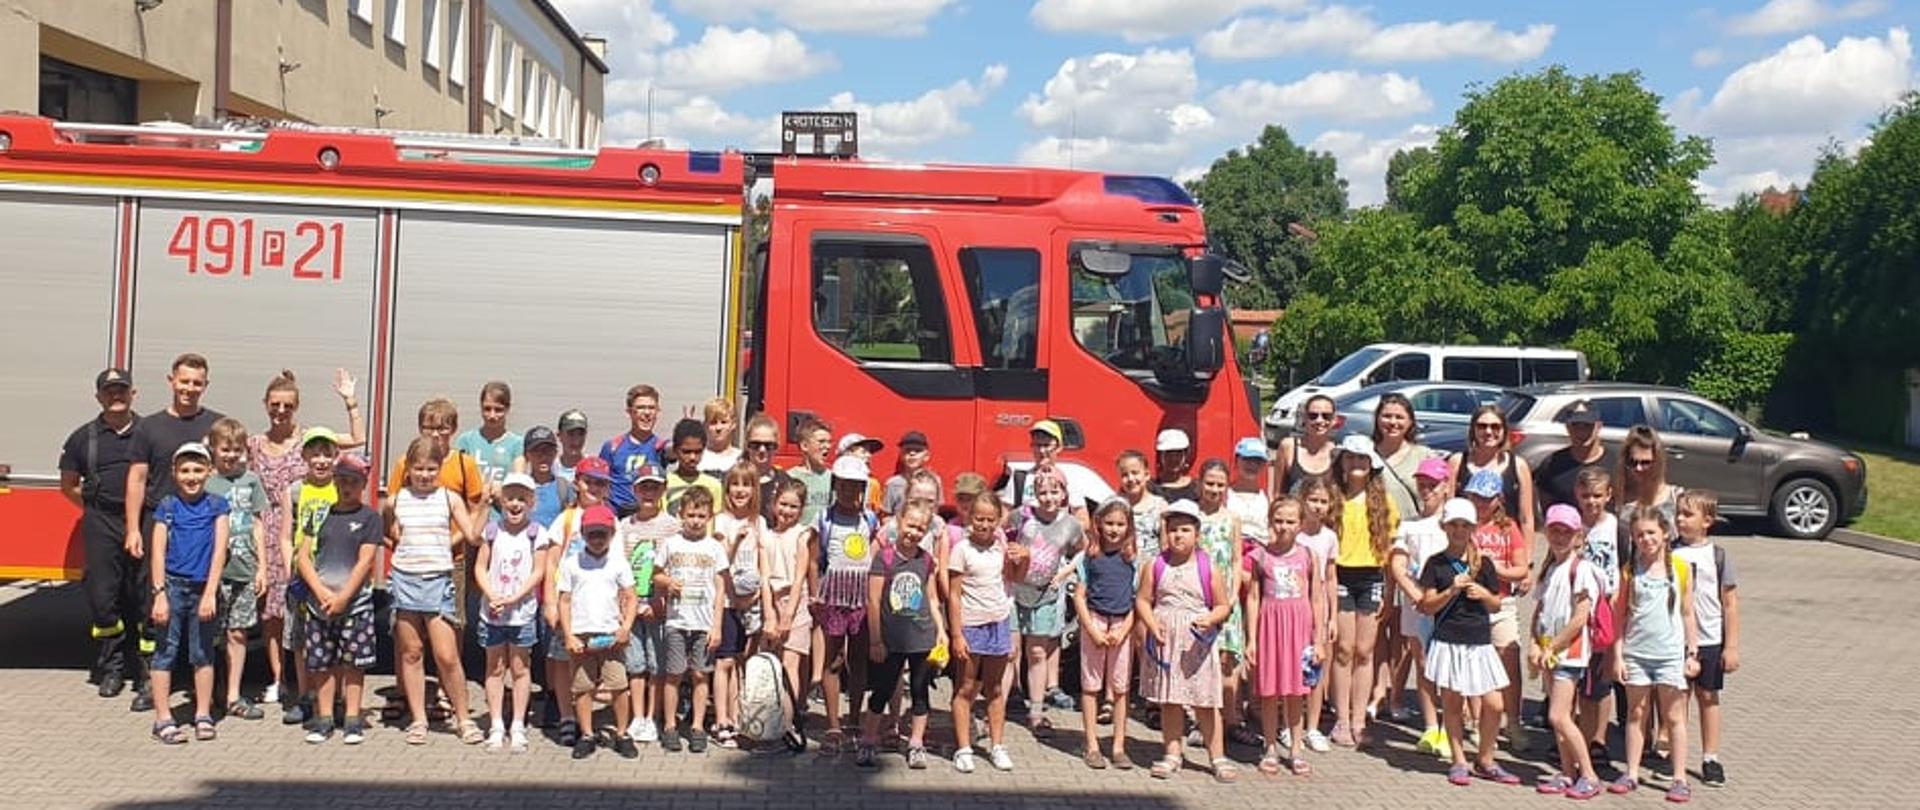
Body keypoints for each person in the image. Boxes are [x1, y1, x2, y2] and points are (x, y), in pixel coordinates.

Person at [245, 369, 364, 713]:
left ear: (296, 407)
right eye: (274, 405)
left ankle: (316, 690)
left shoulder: (310, 441)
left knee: (312, 621)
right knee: (273, 615)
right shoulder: (255, 443)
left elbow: (357, 438)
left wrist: (350, 400)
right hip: (266, 531)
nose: (280, 411)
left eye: (287, 406)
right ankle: (279, 680)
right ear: (265, 405)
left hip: (305, 536)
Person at [123, 353, 225, 713]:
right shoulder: (149, 427)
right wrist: (134, 527)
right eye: (184, 381)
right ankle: (153, 685)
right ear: (171, 381)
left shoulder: (216, 425)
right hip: (159, 523)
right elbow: (136, 478)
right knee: (155, 607)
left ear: (205, 386)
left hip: (204, 527)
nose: (189, 389)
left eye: (197, 383)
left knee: (206, 615)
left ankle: (207, 691)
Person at [383, 436, 483, 746]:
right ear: (408, 469)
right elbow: (390, 533)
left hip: (438, 581)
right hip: (405, 580)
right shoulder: (396, 500)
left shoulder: (449, 498)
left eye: (431, 469)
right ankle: (418, 719)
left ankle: (464, 718)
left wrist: (485, 506)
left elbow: (472, 536)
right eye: (418, 469)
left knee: (447, 655)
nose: (424, 475)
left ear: (440, 468)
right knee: (411, 653)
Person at [1418, 497, 1520, 788]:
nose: (1459, 531)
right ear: (1444, 527)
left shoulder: (1483, 563)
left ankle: (1486, 758)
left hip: (1479, 641)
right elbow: (1427, 605)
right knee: (1452, 702)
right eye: (1453, 525)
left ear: (1473, 528)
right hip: (1449, 640)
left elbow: (1496, 605)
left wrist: (1482, 594)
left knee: (1495, 703)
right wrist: (1451, 590)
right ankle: (1458, 760)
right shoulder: (1436, 564)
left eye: (1464, 526)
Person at [61, 368, 144, 701]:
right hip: (102, 521)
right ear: (99, 397)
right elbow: (68, 486)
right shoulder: (83, 438)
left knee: (143, 595)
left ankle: (146, 669)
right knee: (103, 596)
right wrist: (95, 506)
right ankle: (111, 667)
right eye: (109, 391)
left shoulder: (147, 432)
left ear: (132, 394)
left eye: (121, 390)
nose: (116, 396)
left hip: (141, 520)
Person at [1139, 499, 1236, 782]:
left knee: (1205, 702)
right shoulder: (1155, 565)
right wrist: (1151, 622)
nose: (1177, 536)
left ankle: (1217, 756)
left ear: (1197, 534)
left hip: (1197, 645)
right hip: (1166, 641)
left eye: (1184, 530)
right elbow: (1144, 600)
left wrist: (1210, 618)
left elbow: (1222, 605)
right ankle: (1172, 752)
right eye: (1172, 530)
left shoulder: (1208, 568)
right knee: (1171, 700)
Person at [145, 442, 231, 744]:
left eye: (197, 470)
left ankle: (203, 714)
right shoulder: (167, 507)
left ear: (209, 471)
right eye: (184, 470)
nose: (191, 476)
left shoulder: (217, 506)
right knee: (164, 652)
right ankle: (163, 718)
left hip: (202, 589)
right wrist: (159, 594)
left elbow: (220, 551)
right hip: (172, 587)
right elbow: (157, 553)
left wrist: (210, 593)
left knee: (202, 653)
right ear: (174, 473)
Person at [1611, 511, 1700, 802]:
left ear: (1664, 533)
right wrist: (1617, 655)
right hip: (1637, 653)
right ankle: (1632, 772)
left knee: (1674, 716)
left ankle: (1679, 777)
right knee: (1636, 714)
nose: (1646, 539)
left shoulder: (1681, 567)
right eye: (1639, 535)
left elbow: (1688, 613)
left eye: (1651, 532)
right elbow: (1620, 616)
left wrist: (1692, 651)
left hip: (1669, 655)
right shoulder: (1629, 571)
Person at [296, 452, 380, 745]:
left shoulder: (370, 518)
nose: (347, 487)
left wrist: (343, 597)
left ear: (364, 484)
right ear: (334, 481)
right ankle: (324, 718)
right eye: (342, 481)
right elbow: (303, 557)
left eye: (354, 482)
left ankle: (353, 719)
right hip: (320, 605)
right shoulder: (318, 514)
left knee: (353, 663)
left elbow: (365, 561)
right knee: (321, 663)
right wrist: (320, 592)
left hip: (354, 605)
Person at [856, 502, 947, 769]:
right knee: (882, 691)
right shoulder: (883, 558)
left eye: (921, 528)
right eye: (911, 525)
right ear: (899, 521)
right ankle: (869, 739)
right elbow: (873, 601)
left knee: (920, 693)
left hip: (921, 637)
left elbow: (931, 598)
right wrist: (876, 640)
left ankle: (916, 744)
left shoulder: (926, 560)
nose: (914, 532)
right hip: (890, 639)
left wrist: (941, 631)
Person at [1244, 497, 1327, 777]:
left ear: (1301, 524)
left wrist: (1319, 639)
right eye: (1278, 520)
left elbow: (1317, 598)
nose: (1283, 527)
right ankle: (1269, 746)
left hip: (1299, 629)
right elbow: (1253, 598)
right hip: (1270, 627)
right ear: (1270, 521)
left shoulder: (1308, 556)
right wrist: (1252, 639)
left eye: (1290, 521)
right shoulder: (1261, 556)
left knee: (1295, 692)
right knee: (1269, 692)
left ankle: (1296, 749)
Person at [947, 493, 1026, 774]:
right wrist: (956, 634)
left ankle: (997, 745)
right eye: (979, 518)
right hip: (971, 625)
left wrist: (1023, 557)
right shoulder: (961, 549)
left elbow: (1016, 578)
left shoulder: (1001, 547)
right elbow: (954, 595)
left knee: (994, 688)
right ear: (970, 518)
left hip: (999, 623)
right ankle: (964, 747)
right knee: (966, 688)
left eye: (990, 520)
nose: (984, 524)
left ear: (998, 521)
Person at [1530, 504, 1604, 799]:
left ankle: (1589, 774)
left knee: (1559, 716)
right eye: (1554, 530)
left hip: (1569, 654)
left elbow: (1580, 617)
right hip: (1549, 653)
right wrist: (1536, 643)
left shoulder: (1582, 570)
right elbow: (1540, 612)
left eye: (1566, 531)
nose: (1559, 536)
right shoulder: (1549, 569)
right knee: (1558, 717)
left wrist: (1554, 646)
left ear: (1578, 536)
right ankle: (1567, 772)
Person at [473, 473, 551, 754]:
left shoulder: (537, 533)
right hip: (492, 612)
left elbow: (539, 571)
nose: (515, 504)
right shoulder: (492, 531)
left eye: (522, 498)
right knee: (494, 668)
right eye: (510, 498)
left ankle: (517, 724)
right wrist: (492, 595)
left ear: (531, 502)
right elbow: (480, 567)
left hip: (521, 613)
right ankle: (495, 723)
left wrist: (515, 597)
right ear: (501, 501)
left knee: (520, 668)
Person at [541, 456, 614, 744]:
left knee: (596, 660)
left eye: (601, 483)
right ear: (577, 483)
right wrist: (549, 601)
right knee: (562, 660)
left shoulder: (611, 518)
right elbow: (551, 563)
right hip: (568, 603)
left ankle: (591, 716)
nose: (594, 487)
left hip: (599, 604)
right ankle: (567, 716)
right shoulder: (566, 519)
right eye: (589, 481)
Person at [1330, 435, 1397, 749]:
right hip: (1340, 575)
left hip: (1371, 577)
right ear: (1341, 462)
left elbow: (1391, 551)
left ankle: (1359, 719)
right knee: (1343, 649)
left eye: (1362, 459)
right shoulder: (1332, 498)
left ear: (1371, 465)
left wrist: (1390, 589)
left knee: (1365, 651)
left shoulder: (1383, 503)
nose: (1356, 464)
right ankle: (1341, 718)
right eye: (1350, 458)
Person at [557, 505, 639, 760]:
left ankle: (623, 733)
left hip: (611, 635)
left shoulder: (618, 563)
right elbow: (564, 601)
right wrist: (568, 634)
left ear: (612, 534)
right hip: (581, 635)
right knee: (582, 687)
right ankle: (587, 734)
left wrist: (626, 628)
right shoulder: (571, 564)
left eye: (602, 534)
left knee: (618, 686)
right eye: (591, 534)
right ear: (582, 533)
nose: (596, 539)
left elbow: (631, 597)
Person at [651, 488, 730, 754]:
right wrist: (667, 582)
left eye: (701, 516)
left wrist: (717, 626)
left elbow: (721, 590)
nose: (696, 521)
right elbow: (656, 574)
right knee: (673, 674)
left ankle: (697, 726)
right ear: (681, 515)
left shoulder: (715, 548)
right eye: (691, 515)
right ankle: (670, 725)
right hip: (677, 620)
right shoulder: (671, 544)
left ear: (710, 517)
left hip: (704, 623)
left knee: (699, 674)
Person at [1385, 457, 1453, 758]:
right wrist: (1416, 596)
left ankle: (1454, 728)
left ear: (1446, 486)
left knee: (1450, 667)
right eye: (1422, 483)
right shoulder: (1409, 525)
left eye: (1433, 484)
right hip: (1417, 604)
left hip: (1450, 605)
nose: (1426, 489)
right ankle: (1430, 726)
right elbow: (1398, 565)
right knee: (1423, 662)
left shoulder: (1455, 521)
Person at [1012, 466, 1087, 736]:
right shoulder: (1022, 516)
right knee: (1009, 652)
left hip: (1045, 594)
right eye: (1042, 492)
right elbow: (1000, 533)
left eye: (1054, 491)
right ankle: (998, 706)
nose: (1048, 497)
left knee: (1037, 652)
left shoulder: (1070, 524)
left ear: (1064, 494)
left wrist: (1066, 571)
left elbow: (1083, 549)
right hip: (1014, 591)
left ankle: (1036, 711)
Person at [813, 455, 880, 756]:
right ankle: (832, 724)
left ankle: (854, 720)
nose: (850, 492)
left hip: (862, 595)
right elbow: (814, 560)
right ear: (835, 485)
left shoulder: (870, 519)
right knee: (832, 658)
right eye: (844, 486)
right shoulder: (824, 518)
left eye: (856, 487)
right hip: (833, 594)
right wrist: (815, 595)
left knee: (859, 659)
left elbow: (876, 557)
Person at [1672, 490, 1739, 789]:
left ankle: (1710, 757)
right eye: (1678, 514)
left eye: (1688, 515)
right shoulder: (1668, 551)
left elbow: (1730, 603)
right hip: (1677, 639)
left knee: (1708, 697)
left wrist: (1731, 645)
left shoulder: (1718, 556)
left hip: (1710, 637)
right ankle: (1676, 756)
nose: (1680, 520)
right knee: (1677, 698)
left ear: (1707, 521)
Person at [1461, 468, 1532, 752]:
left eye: (1486, 498)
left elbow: (1520, 568)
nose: (1481, 503)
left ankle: (1513, 721)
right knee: (1474, 662)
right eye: (1476, 497)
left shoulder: (1508, 528)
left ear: (1498, 499)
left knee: (1509, 659)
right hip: (1471, 602)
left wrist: (1496, 568)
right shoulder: (1464, 525)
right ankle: (1478, 720)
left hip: (1502, 602)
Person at [278, 427, 343, 727]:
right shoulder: (294, 490)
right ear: (304, 456)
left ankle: (336, 699)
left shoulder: (342, 488)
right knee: (301, 640)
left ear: (335, 456)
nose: (321, 460)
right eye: (314, 453)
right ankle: (305, 697)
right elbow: (285, 534)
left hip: (332, 574)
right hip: (301, 576)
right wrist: (288, 566)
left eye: (327, 453)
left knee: (335, 639)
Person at [205, 418, 269, 721]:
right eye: (225, 449)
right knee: (211, 634)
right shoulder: (205, 482)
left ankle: (232, 694)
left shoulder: (251, 481)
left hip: (244, 568)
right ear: (213, 449)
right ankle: (208, 692)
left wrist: (262, 568)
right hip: (212, 574)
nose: (231, 456)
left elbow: (258, 524)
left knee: (238, 633)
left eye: (236, 450)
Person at [1072, 498, 1139, 770]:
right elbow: (1079, 595)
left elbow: (1139, 599)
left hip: (1123, 624)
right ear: (1099, 524)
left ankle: (1119, 746)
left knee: (1121, 688)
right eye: (1109, 523)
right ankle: (1091, 745)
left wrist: (1125, 629)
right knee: (1091, 686)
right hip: (1095, 621)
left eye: (1120, 524)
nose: (1114, 529)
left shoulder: (1133, 558)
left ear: (1128, 526)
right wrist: (1090, 629)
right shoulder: (1090, 556)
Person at [614, 465, 676, 746]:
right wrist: (625, 605)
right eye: (644, 487)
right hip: (631, 607)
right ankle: (637, 716)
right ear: (635, 490)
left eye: (654, 487)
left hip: (660, 607)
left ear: (663, 490)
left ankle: (653, 716)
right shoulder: (625, 526)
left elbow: (673, 569)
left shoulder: (672, 525)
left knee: (657, 665)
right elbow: (619, 569)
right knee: (636, 665)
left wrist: (659, 600)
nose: (649, 493)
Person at [1192, 459, 1251, 744]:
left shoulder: (1232, 518)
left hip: (1226, 601)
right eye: (1210, 483)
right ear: (1200, 483)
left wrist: (1232, 595)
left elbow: (1237, 558)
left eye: (1220, 484)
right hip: (1199, 599)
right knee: (1201, 662)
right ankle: (1200, 721)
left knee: (1228, 661)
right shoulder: (1192, 517)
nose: (1214, 489)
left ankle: (1232, 719)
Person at [710, 461, 768, 749]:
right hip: (728, 603)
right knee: (725, 661)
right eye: (735, 484)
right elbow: (721, 563)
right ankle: (721, 719)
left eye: (746, 484)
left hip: (753, 602)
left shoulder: (760, 522)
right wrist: (735, 541)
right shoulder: (721, 521)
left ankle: (736, 717)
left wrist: (757, 598)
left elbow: (762, 562)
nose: (740, 490)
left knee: (742, 661)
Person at [1573, 467, 1622, 762]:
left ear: (1608, 496)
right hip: (1577, 605)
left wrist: (1617, 604)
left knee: (1601, 679)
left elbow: (1622, 566)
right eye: (1586, 496)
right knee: (1576, 677)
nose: (1591, 501)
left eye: (1597, 496)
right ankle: (1575, 734)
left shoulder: (1615, 526)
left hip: (1606, 605)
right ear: (1577, 496)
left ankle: (1599, 739)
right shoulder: (1571, 523)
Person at [760, 477, 816, 724]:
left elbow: (799, 577)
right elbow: (764, 577)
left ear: (801, 509)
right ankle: (771, 718)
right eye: (783, 504)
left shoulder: (802, 535)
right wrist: (771, 614)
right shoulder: (766, 536)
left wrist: (788, 616)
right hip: (771, 601)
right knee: (772, 664)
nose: (787, 511)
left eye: (794, 507)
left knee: (791, 662)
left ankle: (790, 720)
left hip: (796, 603)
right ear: (774, 504)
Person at [1293, 474, 1339, 752]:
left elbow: (1331, 578)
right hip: (1295, 604)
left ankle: (1313, 726)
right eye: (1313, 500)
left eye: (1323, 501)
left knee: (1317, 667)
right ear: (1303, 501)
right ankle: (1291, 724)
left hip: (1319, 606)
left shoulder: (1329, 537)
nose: (1318, 506)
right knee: (1294, 665)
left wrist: (1333, 615)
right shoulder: (1294, 534)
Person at [1450, 404, 1536, 540]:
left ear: (1504, 431)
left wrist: (1527, 557)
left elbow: (1526, 518)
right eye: (1482, 426)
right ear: (1473, 430)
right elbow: (1448, 510)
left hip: (1507, 547)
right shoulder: (1457, 462)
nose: (1488, 432)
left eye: (1495, 427)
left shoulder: (1518, 465)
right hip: (1465, 546)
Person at [1000, 420, 1113, 521]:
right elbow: (1004, 518)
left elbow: (1083, 520)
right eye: (1037, 445)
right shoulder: (1019, 478)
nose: (1042, 450)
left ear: (1059, 447)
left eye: (1046, 445)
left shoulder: (1069, 480)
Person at [601, 384, 668, 519]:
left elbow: (677, 449)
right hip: (617, 516)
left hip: (648, 516)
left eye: (651, 408)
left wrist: (685, 430)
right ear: (630, 412)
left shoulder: (660, 447)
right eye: (641, 408)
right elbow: (601, 482)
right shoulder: (612, 446)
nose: (647, 413)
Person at [1535, 400, 1611, 510]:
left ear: (1598, 426)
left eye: (1587, 425)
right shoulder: (1552, 465)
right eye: (1576, 426)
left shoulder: (1616, 463)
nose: (1581, 431)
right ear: (1568, 427)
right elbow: (1545, 508)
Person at [1617, 425, 1681, 542]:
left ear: (1658, 461)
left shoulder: (1677, 498)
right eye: (1633, 462)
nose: (1639, 468)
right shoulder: (1617, 500)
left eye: (1646, 462)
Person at [453, 381, 523, 487]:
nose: (492, 415)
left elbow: (519, 481)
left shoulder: (517, 444)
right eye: (487, 409)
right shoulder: (466, 441)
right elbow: (458, 478)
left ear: (508, 409)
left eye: (498, 410)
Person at [1275, 395, 1337, 496]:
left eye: (1326, 416)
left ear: (1334, 420)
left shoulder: (1338, 453)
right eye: (1313, 416)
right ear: (1304, 418)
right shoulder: (1288, 447)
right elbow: (1277, 493)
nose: (1319, 420)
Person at [662, 418, 723, 515]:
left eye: (698, 451)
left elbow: (715, 521)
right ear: (675, 450)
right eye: (686, 452)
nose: (692, 457)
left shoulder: (714, 486)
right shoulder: (664, 484)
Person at [1116, 450, 1167, 561]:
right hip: (1123, 569)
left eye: (1135, 473)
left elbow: (1165, 545)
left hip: (1150, 569)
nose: (1130, 479)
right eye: (1125, 475)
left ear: (1147, 475)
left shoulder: (1160, 506)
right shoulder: (1116, 507)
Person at [521, 426, 572, 528]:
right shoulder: (520, 488)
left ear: (555, 453)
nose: (543, 456)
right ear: (527, 455)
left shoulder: (564, 488)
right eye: (536, 451)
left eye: (548, 451)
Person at [882, 431, 939, 517]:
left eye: (918, 450)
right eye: (907, 450)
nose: (912, 453)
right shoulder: (893, 483)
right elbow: (886, 516)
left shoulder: (934, 481)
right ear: (901, 454)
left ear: (927, 456)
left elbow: (935, 511)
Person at [788, 418, 834, 526]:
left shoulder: (833, 479)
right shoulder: (790, 477)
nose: (827, 446)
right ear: (804, 446)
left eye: (829, 442)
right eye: (821, 441)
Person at [1227, 437, 1272, 545]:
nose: (1252, 465)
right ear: (1236, 460)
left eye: (1258, 461)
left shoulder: (1268, 498)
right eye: (1247, 460)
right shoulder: (1225, 495)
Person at [1150, 428, 1198, 503]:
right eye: (1169, 454)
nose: (1173, 459)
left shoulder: (1197, 488)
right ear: (1160, 456)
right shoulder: (1150, 488)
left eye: (1178, 454)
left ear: (1186, 455)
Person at [699, 396, 742, 477]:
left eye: (724, 422)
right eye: (713, 423)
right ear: (705, 425)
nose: (718, 428)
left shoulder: (741, 458)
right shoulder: (697, 457)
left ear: (733, 424)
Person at [554, 409, 591, 483]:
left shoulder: (594, 468)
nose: (576, 440)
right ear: (559, 435)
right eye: (571, 434)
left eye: (581, 434)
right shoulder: (551, 468)